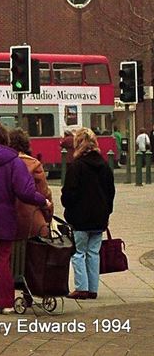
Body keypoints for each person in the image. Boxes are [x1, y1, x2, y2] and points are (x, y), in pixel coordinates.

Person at [0, 123, 49, 315]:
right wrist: (43, 201)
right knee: (3, 261)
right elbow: (25, 191)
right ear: (6, 139)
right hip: (5, 218)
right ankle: (6, 303)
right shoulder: (14, 162)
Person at [62, 127, 116, 300]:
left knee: (78, 252)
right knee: (94, 253)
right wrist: (107, 212)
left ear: (78, 144)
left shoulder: (76, 167)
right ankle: (93, 288)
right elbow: (110, 192)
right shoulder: (105, 166)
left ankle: (81, 287)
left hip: (80, 218)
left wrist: (68, 209)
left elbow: (69, 193)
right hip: (99, 218)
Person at [9, 128, 53, 240]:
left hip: (8, 223)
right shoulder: (34, 164)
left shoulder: (5, 164)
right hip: (33, 222)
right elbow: (44, 194)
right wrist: (48, 216)